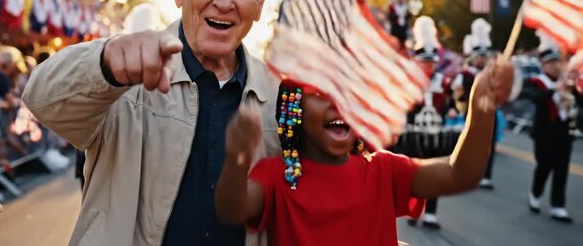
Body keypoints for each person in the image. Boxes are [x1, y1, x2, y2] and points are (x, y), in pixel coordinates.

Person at [23, 0, 281, 245]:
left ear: (261, 5)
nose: (224, 1)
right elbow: (42, 100)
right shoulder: (124, 75)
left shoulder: (279, 96)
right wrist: (104, 63)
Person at [215, 56, 514, 245]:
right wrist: (237, 159)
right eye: (322, 94)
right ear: (295, 107)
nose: (340, 104)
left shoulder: (384, 170)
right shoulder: (278, 176)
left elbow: (459, 173)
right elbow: (232, 209)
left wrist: (482, 109)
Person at [395, 16, 451, 229]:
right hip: (413, 133)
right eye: (424, 61)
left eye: (431, 61)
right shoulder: (409, 82)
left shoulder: (443, 82)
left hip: (435, 132)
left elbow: (449, 104)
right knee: (415, 174)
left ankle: (431, 213)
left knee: (436, 172)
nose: (428, 64)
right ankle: (414, 209)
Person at [522, 32, 575, 223]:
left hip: (564, 131)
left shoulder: (568, 83)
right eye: (551, 62)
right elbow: (534, 98)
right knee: (545, 165)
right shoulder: (537, 82)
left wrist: (571, 88)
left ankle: (558, 206)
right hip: (544, 132)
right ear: (544, 64)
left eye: (557, 61)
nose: (555, 66)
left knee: (562, 168)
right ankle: (535, 193)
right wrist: (554, 89)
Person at [451, 18, 499, 190]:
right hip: (470, 113)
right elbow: (458, 95)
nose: (482, 59)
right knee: (469, 143)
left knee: (489, 144)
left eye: (485, 56)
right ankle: (466, 171)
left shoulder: (493, 73)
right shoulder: (466, 74)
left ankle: (486, 175)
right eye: (480, 56)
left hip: (489, 113)